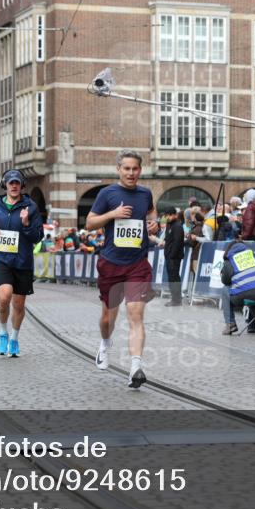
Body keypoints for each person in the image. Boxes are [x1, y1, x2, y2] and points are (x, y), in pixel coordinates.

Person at [86, 150, 159, 389]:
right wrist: (112, 214)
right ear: (118, 169)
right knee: (109, 317)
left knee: (136, 315)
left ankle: (136, 367)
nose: (131, 173)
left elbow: (150, 211)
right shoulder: (107, 193)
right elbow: (89, 223)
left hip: (137, 264)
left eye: (135, 169)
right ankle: (105, 343)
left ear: (140, 170)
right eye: (126, 168)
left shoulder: (145, 193)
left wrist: (153, 222)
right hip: (111, 264)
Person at [0, 169, 43, 358]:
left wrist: (26, 224)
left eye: (17, 183)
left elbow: (38, 236)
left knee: (18, 304)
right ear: (5, 186)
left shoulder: (30, 207)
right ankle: (2, 332)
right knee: (4, 297)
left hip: (23, 261)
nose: (14, 186)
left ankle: (14, 338)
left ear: (22, 185)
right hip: (1, 259)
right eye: (11, 183)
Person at [220, 241, 255, 335]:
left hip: (248, 294)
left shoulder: (230, 260)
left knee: (225, 290)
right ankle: (252, 326)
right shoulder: (253, 255)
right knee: (254, 287)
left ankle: (230, 324)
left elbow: (225, 281)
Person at [163, 208, 185, 307]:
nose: (167, 217)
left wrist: (171, 255)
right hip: (168, 256)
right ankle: (174, 298)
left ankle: (177, 300)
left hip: (174, 257)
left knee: (174, 278)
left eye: (169, 215)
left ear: (174, 215)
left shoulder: (178, 226)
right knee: (171, 278)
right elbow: (168, 239)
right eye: (166, 215)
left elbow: (177, 242)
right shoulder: (169, 225)